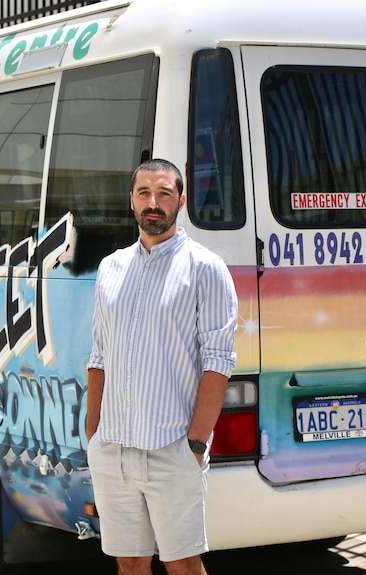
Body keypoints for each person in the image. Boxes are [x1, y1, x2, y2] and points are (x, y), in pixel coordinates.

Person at [86, 158, 238, 575]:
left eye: (164, 194)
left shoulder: (206, 269)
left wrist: (195, 443)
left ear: (181, 201)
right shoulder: (110, 268)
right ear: (132, 201)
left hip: (172, 447)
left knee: (184, 564)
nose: (154, 203)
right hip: (113, 447)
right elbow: (99, 354)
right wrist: (94, 431)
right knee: (130, 563)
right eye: (144, 193)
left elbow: (218, 362)